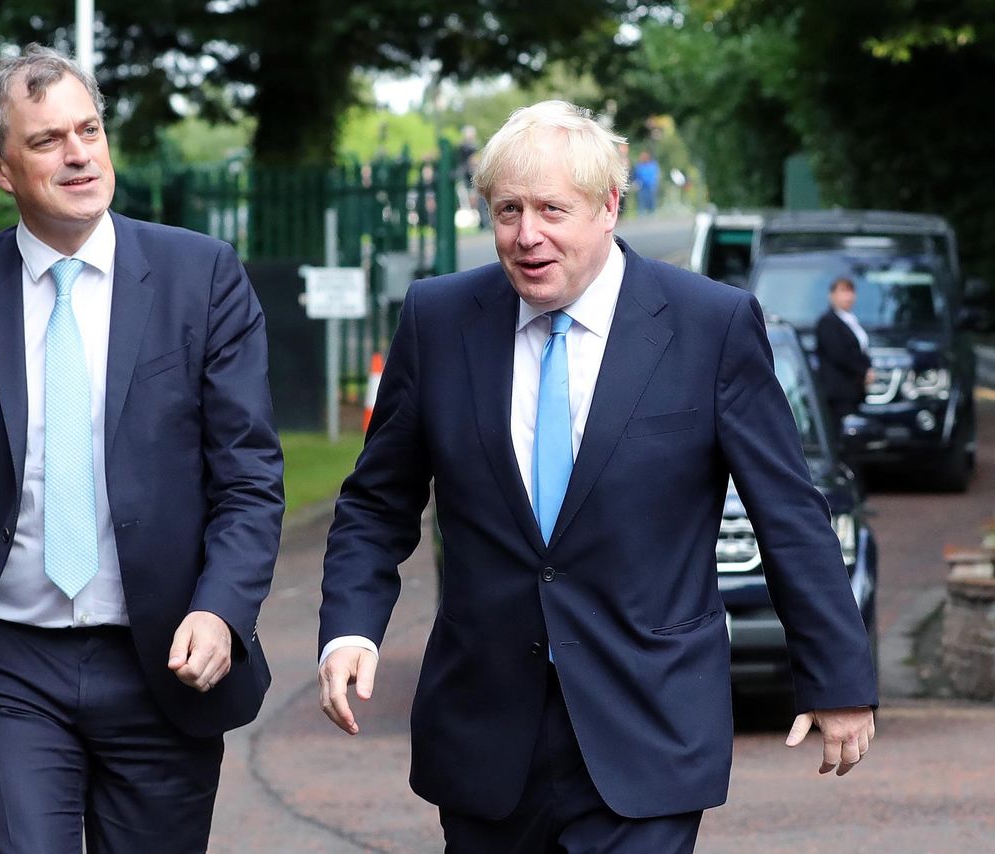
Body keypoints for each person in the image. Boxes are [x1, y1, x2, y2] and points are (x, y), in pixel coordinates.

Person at [317, 101, 876, 852]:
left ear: (609, 205)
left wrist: (837, 676)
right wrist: (350, 626)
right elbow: (376, 503)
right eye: (508, 210)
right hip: (486, 737)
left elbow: (788, 511)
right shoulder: (439, 319)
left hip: (648, 727)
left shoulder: (709, 325)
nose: (526, 236)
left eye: (552, 209)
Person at [0, 44, 284, 853]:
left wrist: (221, 609)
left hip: (164, 659)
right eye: (47, 141)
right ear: (0, 168)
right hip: (8, 667)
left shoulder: (200, 276)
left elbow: (249, 476)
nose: (78, 156)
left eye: (88, 130)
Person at [816, 276, 874, 423]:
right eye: (842, 291)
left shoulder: (851, 320)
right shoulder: (827, 322)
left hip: (854, 390)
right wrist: (864, 370)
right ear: (832, 295)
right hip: (838, 391)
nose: (847, 296)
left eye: (850, 291)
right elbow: (839, 354)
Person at [631, 149, 660, 214]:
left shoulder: (652, 165)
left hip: (651, 188)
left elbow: (656, 176)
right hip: (642, 188)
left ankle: (652, 219)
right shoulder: (639, 166)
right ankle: (641, 221)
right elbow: (635, 176)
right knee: (641, 206)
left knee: (652, 206)